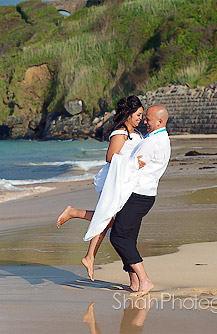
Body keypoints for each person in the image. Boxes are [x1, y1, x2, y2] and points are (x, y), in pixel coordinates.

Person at [56, 96, 145, 282]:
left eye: (142, 115)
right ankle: (75, 216)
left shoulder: (134, 132)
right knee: (113, 221)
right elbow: (111, 157)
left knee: (113, 220)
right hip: (113, 181)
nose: (140, 118)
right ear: (128, 114)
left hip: (125, 181)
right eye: (137, 115)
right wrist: (133, 163)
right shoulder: (120, 133)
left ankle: (89, 255)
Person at [109, 105, 170, 296]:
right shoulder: (160, 139)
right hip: (145, 194)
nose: (145, 121)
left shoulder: (152, 142)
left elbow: (131, 166)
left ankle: (144, 280)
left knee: (118, 236)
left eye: (148, 119)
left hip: (138, 195)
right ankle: (135, 282)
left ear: (159, 121)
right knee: (128, 237)